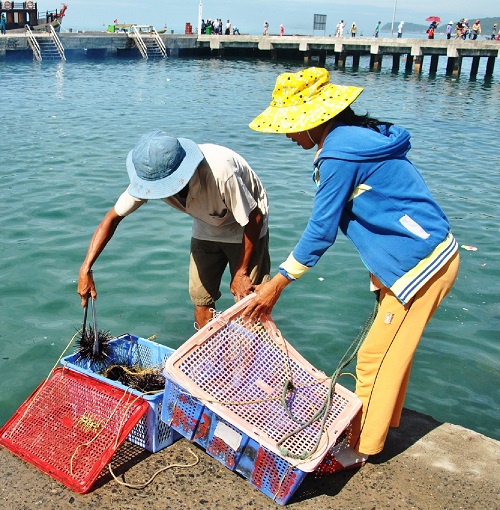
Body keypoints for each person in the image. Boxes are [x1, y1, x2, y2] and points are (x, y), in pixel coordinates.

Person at [245, 67, 459, 469]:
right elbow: (389, 203)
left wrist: (277, 283)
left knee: (374, 358)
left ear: (317, 120)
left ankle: (362, 447)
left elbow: (320, 231)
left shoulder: (339, 153)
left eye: (293, 127)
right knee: (395, 352)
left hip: (422, 266)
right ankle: (383, 422)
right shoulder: (358, 136)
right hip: (422, 257)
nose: (289, 136)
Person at [78, 130, 270, 330]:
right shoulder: (150, 178)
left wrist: (241, 272)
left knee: (248, 302)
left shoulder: (221, 173)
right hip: (206, 223)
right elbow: (111, 219)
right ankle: (210, 354)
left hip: (246, 225)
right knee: (201, 298)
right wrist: (86, 269)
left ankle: (250, 355)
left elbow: (254, 218)